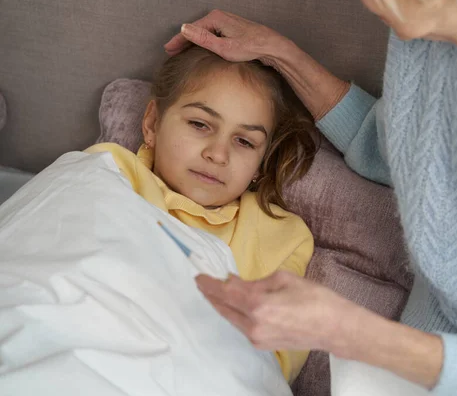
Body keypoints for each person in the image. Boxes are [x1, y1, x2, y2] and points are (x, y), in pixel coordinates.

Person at [164, 0, 457, 394]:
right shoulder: (426, 26)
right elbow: (404, 149)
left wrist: (345, 330)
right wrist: (279, 53)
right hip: (404, 367)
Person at [86, 45, 318, 383]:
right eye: (200, 124)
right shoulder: (112, 170)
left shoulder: (279, 235)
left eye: (244, 142)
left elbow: (273, 357)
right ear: (152, 123)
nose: (218, 154)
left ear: (260, 163)